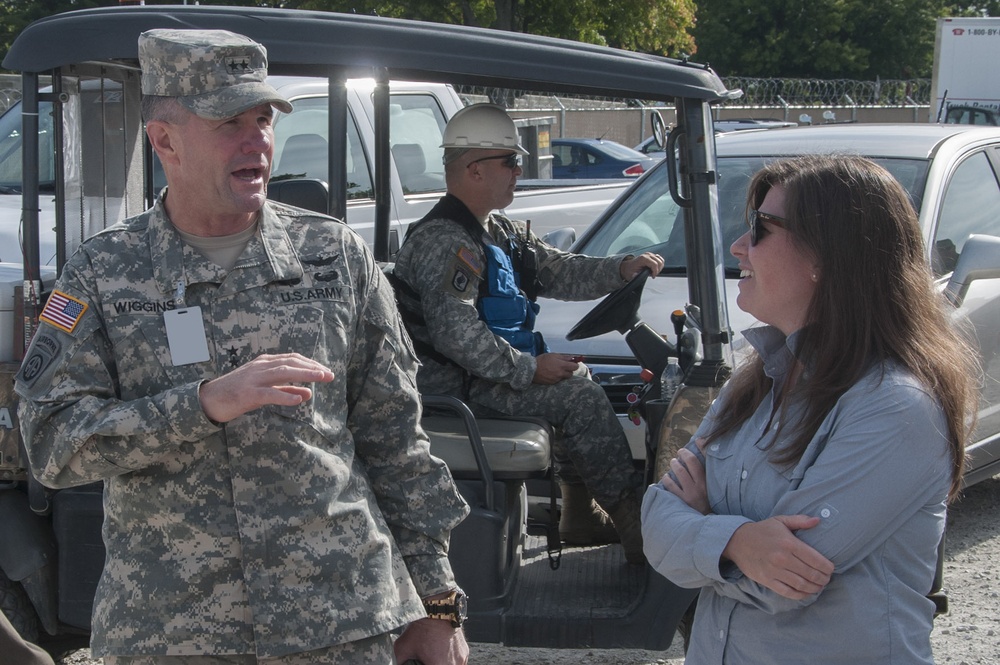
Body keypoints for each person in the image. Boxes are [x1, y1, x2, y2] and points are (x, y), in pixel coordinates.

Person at [15, 29, 470, 665]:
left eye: (262, 118)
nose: (255, 138)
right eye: (229, 121)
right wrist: (200, 405)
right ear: (165, 140)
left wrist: (438, 603)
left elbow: (396, 440)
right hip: (173, 634)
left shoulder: (334, 259)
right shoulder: (102, 273)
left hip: (339, 625)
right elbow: (52, 444)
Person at [641, 155, 979, 664]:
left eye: (760, 228)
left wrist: (706, 528)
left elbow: (786, 582)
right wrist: (737, 542)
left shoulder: (895, 406)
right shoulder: (752, 383)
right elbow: (654, 522)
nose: (738, 246)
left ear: (827, 255)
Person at [392, 103, 664, 564]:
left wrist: (620, 269)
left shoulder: (494, 229)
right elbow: (455, 332)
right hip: (453, 388)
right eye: (511, 162)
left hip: (480, 377)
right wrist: (528, 369)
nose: (521, 171)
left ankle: (578, 514)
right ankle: (635, 525)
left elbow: (556, 271)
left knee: (578, 381)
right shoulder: (445, 241)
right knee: (578, 396)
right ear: (475, 170)